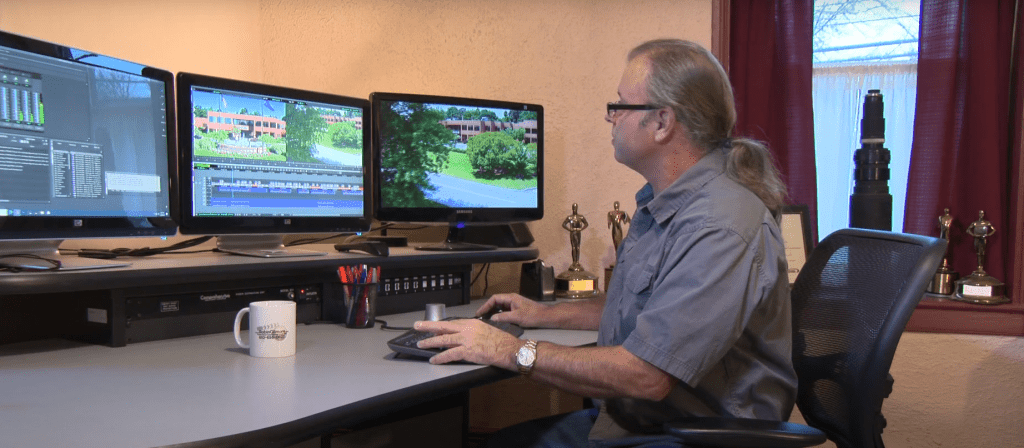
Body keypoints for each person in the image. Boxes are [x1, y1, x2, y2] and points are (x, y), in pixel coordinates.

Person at [413, 39, 796, 448]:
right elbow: (648, 312)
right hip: (640, 420)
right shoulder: (663, 204)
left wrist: (509, 350)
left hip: (694, 436)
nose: (610, 118)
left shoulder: (720, 226)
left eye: (621, 105)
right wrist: (544, 315)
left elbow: (646, 374)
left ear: (662, 122)